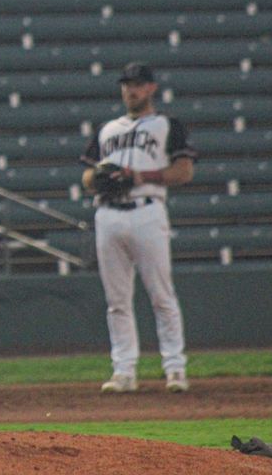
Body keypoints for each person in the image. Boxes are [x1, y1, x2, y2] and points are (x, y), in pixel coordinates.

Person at [80, 62, 197, 395]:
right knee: (117, 300)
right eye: (127, 84)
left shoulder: (166, 125)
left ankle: (175, 369)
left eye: (138, 84)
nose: (131, 90)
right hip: (108, 214)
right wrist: (98, 178)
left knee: (161, 295)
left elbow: (184, 171)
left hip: (148, 210)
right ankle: (124, 371)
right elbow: (87, 176)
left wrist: (139, 176)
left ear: (151, 88)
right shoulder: (107, 129)